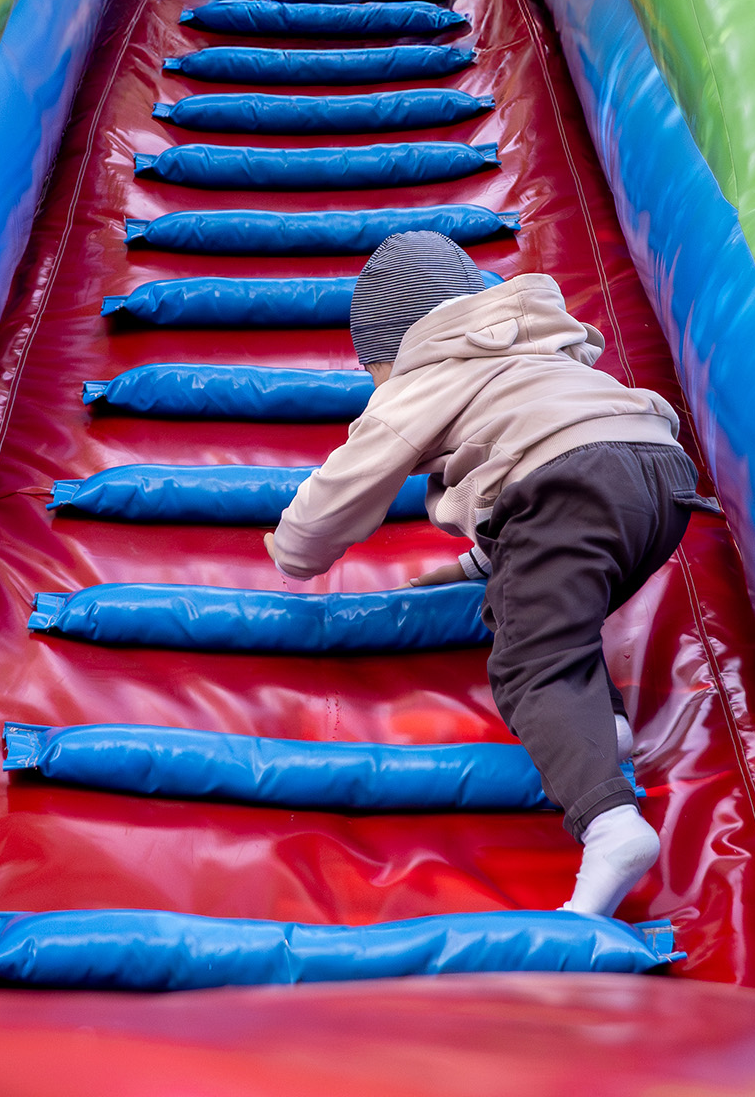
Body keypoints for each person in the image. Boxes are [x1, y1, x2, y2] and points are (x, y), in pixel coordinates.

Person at [264, 230, 716, 917]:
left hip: (570, 485)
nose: (375, 387)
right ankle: (603, 728)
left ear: (394, 347)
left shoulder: (422, 375)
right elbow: (540, 462)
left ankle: (610, 826)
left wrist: (293, 550)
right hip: (659, 478)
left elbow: (341, 491)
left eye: (373, 371)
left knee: (531, 663)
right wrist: (476, 564)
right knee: (546, 607)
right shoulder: (541, 345)